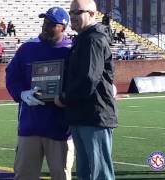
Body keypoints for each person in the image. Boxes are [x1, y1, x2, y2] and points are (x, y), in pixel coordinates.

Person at [6, 7, 74, 180]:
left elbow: (79, 83)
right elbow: (12, 76)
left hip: (60, 128)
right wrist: (21, 93)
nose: (45, 26)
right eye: (45, 22)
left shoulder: (72, 50)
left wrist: (66, 96)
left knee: (61, 176)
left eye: (51, 24)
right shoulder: (27, 48)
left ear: (63, 28)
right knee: (24, 175)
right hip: (30, 125)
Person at [54, 0, 117, 179]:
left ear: (91, 14)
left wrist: (65, 98)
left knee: (99, 172)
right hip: (83, 114)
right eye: (71, 12)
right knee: (86, 172)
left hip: (93, 116)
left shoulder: (93, 39)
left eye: (77, 12)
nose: (72, 17)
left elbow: (89, 79)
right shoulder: (84, 39)